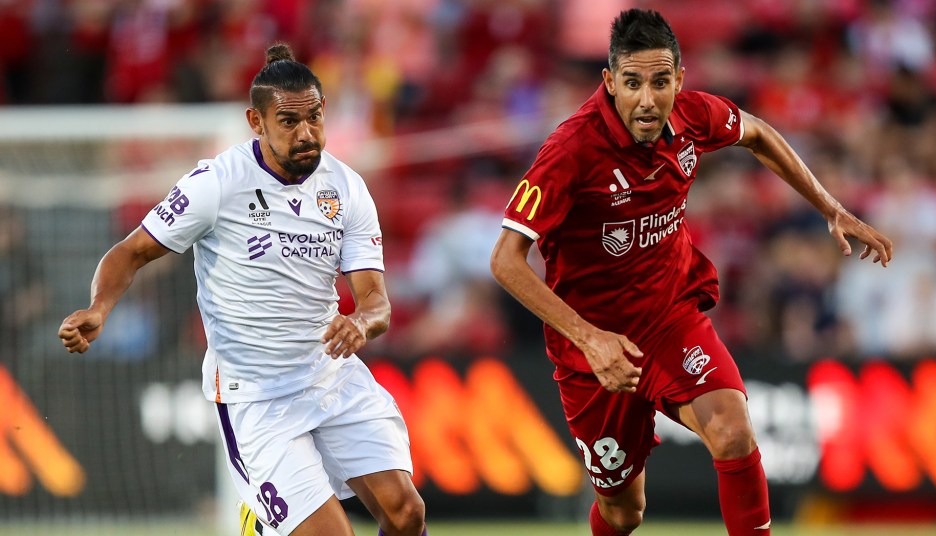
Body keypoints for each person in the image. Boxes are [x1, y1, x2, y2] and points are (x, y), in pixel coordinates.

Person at [489, 9, 892, 536]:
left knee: (732, 431)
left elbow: (758, 132)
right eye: (632, 83)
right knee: (623, 511)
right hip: (595, 349)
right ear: (610, 82)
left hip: (670, 318)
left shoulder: (694, 116)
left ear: (679, 79)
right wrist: (590, 339)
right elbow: (504, 259)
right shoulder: (571, 151)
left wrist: (829, 207)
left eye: (661, 82)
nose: (647, 99)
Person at [58, 44, 426, 536]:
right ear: (256, 121)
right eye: (289, 122)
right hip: (256, 397)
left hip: (332, 377)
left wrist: (360, 322)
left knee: (406, 513)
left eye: (315, 118)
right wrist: (99, 308)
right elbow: (131, 251)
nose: (307, 134)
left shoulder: (347, 188)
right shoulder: (217, 183)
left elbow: (376, 301)